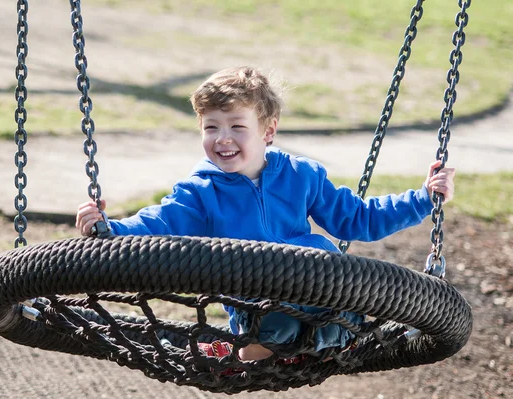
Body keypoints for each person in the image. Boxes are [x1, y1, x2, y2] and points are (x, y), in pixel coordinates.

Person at [76, 66, 456, 364]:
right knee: (278, 329)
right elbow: (156, 225)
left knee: (354, 305)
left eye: (236, 127)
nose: (222, 138)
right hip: (258, 307)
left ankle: (336, 343)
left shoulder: (302, 176)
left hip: (320, 287)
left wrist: (423, 198)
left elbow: (358, 219)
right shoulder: (200, 193)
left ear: (268, 131)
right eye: (211, 127)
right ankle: (246, 358)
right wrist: (110, 230)